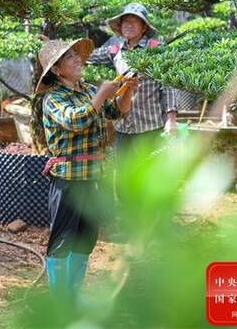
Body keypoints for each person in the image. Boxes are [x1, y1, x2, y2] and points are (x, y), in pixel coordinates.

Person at [36, 37, 138, 299]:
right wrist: (102, 94)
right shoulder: (53, 98)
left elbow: (117, 112)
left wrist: (127, 89)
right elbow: (75, 120)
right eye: (70, 57)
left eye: (75, 55)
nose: (77, 60)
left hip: (94, 177)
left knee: (85, 239)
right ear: (57, 70)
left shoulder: (87, 90)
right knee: (62, 241)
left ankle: (73, 293)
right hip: (68, 180)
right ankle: (60, 301)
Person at [88, 3, 178, 156]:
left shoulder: (156, 49)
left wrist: (171, 119)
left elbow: (168, 86)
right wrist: (57, 47)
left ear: (143, 27)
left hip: (150, 127)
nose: (129, 25)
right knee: (124, 176)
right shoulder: (116, 50)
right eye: (126, 22)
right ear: (120, 26)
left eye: (134, 21)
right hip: (123, 127)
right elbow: (88, 55)